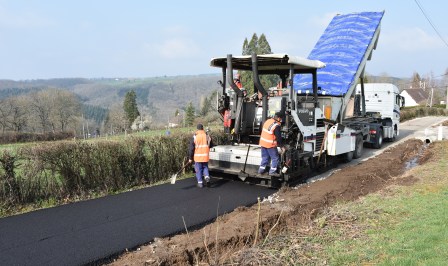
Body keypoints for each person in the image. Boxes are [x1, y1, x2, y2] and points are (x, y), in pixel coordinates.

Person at [189, 124, 213, 188]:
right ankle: (207, 177)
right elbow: (211, 145)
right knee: (205, 167)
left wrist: (190, 158)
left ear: (197, 129)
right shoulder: (207, 136)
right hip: (205, 156)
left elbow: (191, 148)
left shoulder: (195, 137)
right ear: (203, 128)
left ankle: (200, 183)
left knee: (198, 169)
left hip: (198, 157)